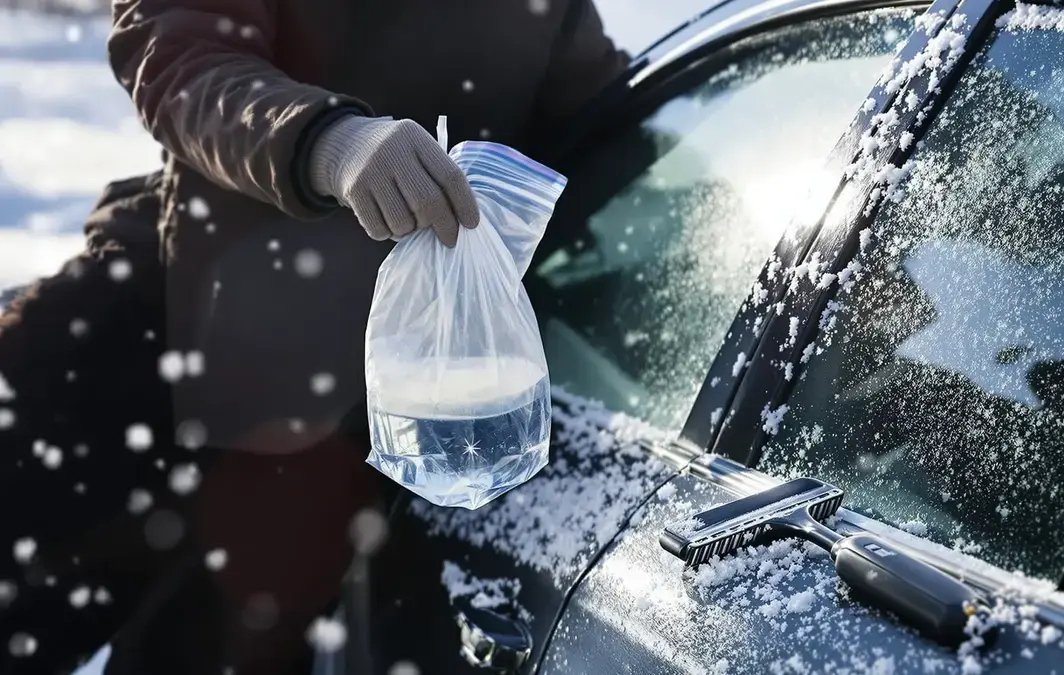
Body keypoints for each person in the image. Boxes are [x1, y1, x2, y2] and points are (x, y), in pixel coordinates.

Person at [0, 0, 627, 672]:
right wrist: (328, 141)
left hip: (361, 418)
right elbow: (178, 56)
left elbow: (604, 116)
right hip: (157, 338)